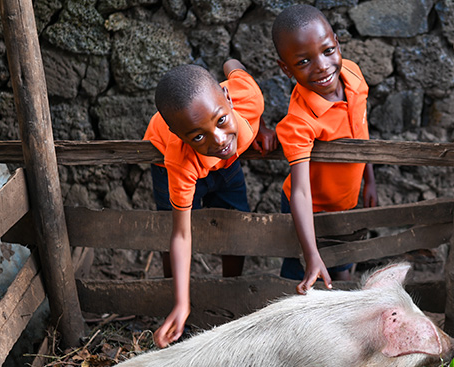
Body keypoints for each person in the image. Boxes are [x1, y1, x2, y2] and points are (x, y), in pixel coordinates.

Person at [144, 60, 277, 347]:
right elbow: (181, 233)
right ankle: (175, 303)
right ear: (181, 136)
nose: (218, 139)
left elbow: (232, 64)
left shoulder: (248, 97)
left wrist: (262, 126)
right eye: (200, 135)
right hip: (172, 165)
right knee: (173, 221)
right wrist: (183, 303)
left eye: (221, 120)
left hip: (226, 166)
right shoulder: (179, 157)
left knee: (235, 221)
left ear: (229, 100)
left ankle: (229, 294)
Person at [271, 4, 377, 295]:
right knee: (301, 277)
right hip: (309, 211)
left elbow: (360, 131)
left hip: (347, 200)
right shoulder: (299, 122)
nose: (321, 66)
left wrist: (369, 180)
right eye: (303, 61)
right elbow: (301, 192)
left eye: (328, 51)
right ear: (286, 68)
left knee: (343, 268)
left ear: (337, 43)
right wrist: (311, 253)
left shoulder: (353, 77)